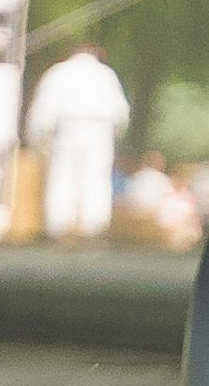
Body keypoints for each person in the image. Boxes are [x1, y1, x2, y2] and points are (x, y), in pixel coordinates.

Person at [25, 46, 133, 242]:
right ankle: (94, 227)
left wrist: (39, 138)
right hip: (100, 130)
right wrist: (117, 135)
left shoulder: (59, 72)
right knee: (96, 177)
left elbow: (44, 109)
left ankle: (57, 226)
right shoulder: (106, 74)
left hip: (67, 128)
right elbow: (121, 112)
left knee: (62, 176)